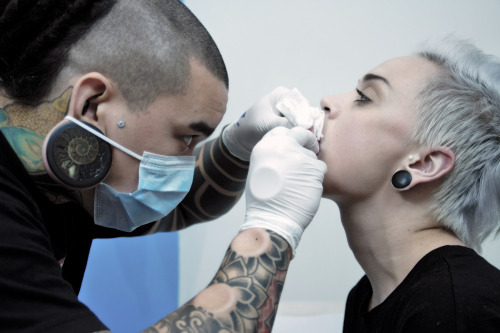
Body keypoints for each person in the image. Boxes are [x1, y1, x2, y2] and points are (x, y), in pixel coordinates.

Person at [0, 1, 326, 332]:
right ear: (92, 105)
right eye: (186, 139)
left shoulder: (67, 183)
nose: (186, 165)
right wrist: (273, 229)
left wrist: (237, 146)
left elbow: (180, 204)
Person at [318, 35, 500, 332]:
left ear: (422, 164)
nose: (327, 101)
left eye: (364, 97)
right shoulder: (366, 296)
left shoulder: (457, 308)